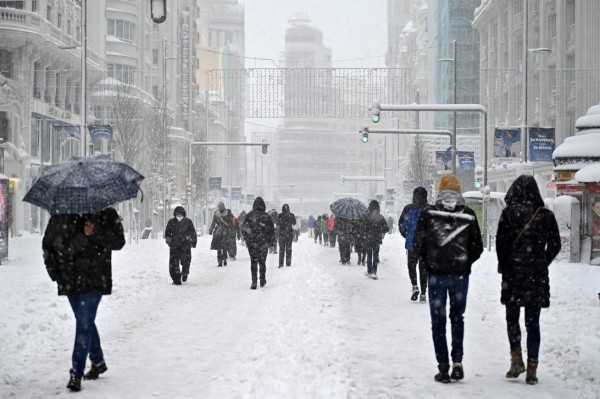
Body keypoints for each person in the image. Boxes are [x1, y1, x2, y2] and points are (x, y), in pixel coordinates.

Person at [42, 207, 125, 391]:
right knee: (84, 321)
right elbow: (48, 244)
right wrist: (55, 272)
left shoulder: (105, 213)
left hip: (95, 279)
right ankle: (98, 361)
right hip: (70, 280)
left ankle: (76, 372)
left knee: (85, 323)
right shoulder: (61, 214)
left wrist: (94, 233)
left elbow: (119, 241)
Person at [413, 174, 483, 383]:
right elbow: (477, 246)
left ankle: (443, 367)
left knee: (438, 321)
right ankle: (458, 361)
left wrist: (430, 262)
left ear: (440, 192)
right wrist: (464, 263)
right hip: (460, 277)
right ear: (459, 191)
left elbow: (418, 243)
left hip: (436, 276)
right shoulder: (468, 214)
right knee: (457, 318)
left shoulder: (429, 214)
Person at [496, 175, 561, 385]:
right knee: (533, 323)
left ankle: (516, 360)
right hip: (536, 277)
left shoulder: (508, 214)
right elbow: (555, 244)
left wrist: (506, 264)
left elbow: (501, 244)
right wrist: (542, 261)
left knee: (512, 319)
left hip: (513, 275)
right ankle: (532, 368)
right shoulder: (546, 215)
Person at [399, 187, 434, 302]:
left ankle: (415, 286)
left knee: (411, 266)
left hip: (412, 244)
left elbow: (402, 225)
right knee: (423, 269)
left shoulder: (408, 209)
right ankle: (423, 293)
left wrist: (407, 235)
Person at [242, 197, 276, 289]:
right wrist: (272, 243)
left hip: (252, 243)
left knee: (253, 261)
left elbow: (244, 228)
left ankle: (254, 281)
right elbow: (271, 231)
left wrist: (247, 239)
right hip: (263, 243)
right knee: (262, 261)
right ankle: (262, 279)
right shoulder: (266, 216)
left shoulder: (249, 215)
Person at [165, 206, 197, 284]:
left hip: (185, 245)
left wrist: (193, 241)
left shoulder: (188, 222)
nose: (179, 216)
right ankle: (176, 280)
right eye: (177, 214)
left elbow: (192, 232)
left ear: (183, 214)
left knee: (186, 261)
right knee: (173, 264)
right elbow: (167, 232)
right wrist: (168, 238)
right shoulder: (171, 222)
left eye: (180, 214)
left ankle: (185, 272)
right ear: (175, 214)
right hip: (174, 246)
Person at [363, 200, 389, 279]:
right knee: (375, 255)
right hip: (377, 238)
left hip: (368, 238)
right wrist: (380, 230)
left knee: (369, 255)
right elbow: (386, 228)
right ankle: (374, 272)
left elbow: (363, 228)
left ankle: (369, 271)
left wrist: (366, 233)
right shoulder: (380, 217)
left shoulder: (367, 216)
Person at [209, 202, 233, 267]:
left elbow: (230, 223)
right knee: (219, 248)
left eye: (221, 207)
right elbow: (213, 222)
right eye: (220, 207)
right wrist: (211, 230)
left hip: (224, 232)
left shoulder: (228, 213)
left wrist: (230, 229)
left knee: (224, 247)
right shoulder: (216, 213)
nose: (221, 209)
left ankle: (224, 260)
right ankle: (220, 261)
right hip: (219, 232)